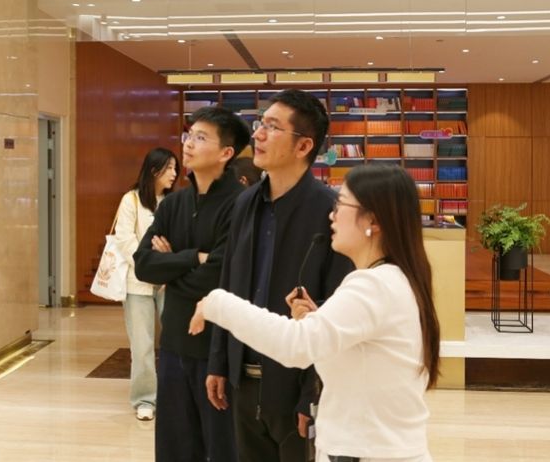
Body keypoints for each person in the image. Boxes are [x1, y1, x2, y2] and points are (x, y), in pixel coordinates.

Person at [191, 164, 441, 462]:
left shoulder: (373, 286)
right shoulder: (387, 280)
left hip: (367, 453)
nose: (332, 215)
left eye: (341, 204)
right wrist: (316, 320)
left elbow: (294, 346)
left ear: (372, 220)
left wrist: (218, 304)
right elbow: (352, 358)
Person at [207, 89, 354, 462]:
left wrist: (313, 391)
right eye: (261, 124)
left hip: (294, 385)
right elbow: (228, 284)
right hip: (242, 380)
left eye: (272, 127)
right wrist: (219, 361)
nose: (257, 134)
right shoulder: (244, 203)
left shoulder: (330, 212)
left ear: (303, 145)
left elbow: (335, 311)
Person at [134, 106, 250, 462]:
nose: (188, 144)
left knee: (221, 446)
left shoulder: (241, 204)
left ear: (226, 153)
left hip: (217, 347)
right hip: (173, 341)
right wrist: (191, 258)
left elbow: (220, 275)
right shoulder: (174, 203)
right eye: (188, 135)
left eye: (201, 138)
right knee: (174, 446)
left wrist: (172, 269)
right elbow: (143, 265)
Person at [113, 147, 179, 421]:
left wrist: (166, 266)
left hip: (169, 282)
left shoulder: (174, 202)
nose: (174, 174)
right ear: (154, 170)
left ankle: (174, 396)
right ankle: (145, 400)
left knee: (175, 341)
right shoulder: (131, 200)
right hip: (137, 282)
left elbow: (178, 240)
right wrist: (148, 266)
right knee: (142, 345)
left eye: (175, 168)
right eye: (169, 168)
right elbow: (124, 240)